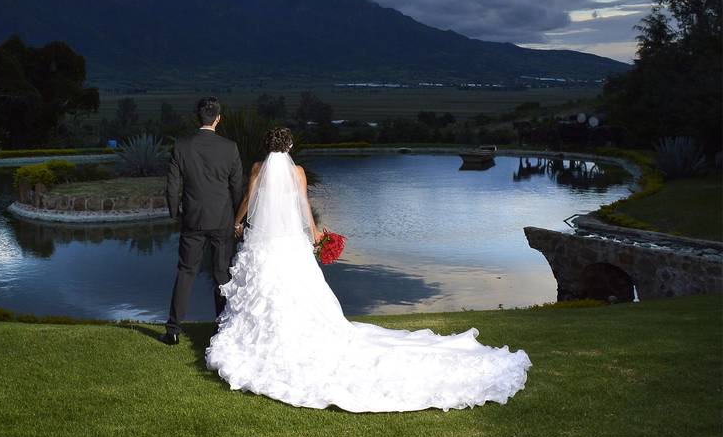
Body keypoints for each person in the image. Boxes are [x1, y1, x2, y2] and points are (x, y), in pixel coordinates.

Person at [204, 126, 533, 412]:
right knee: (296, 291)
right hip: (290, 245)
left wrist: (236, 222)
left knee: (263, 288)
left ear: (267, 146)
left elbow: (249, 199)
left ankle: (261, 336)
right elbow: (304, 205)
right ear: (289, 147)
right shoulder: (298, 172)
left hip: (263, 243)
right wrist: (316, 233)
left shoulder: (259, 168)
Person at [158, 96, 244, 345]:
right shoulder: (230, 147)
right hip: (222, 220)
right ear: (218, 118)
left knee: (185, 272)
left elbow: (172, 186)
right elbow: (237, 188)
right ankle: (223, 329)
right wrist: (238, 219)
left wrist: (176, 214)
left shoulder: (182, 146)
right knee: (221, 274)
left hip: (193, 219)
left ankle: (173, 330)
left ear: (199, 117)